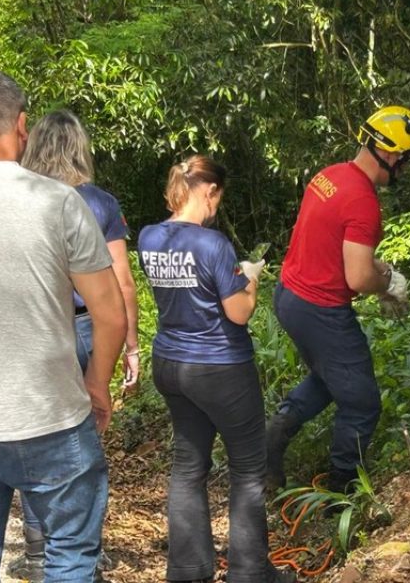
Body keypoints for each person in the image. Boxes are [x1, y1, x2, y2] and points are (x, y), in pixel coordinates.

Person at [0, 69, 127, 581]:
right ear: (20, 125)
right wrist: (97, 384)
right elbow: (110, 313)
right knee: (70, 556)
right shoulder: (59, 202)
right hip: (51, 418)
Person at [138, 155, 295, 583]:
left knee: (188, 467)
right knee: (248, 468)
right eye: (217, 199)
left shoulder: (150, 237)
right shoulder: (213, 244)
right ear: (209, 192)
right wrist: (252, 280)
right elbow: (239, 312)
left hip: (170, 362)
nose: (217, 208)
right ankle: (250, 573)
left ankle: (188, 571)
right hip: (219, 366)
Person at [6, 109, 141, 582]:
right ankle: (80, 546)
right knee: (79, 440)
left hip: (39, 327)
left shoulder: (21, 196)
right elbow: (122, 284)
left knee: (36, 433)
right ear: (80, 147)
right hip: (89, 328)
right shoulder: (100, 203)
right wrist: (131, 345)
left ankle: (39, 551)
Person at [265, 105, 410, 495]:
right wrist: (385, 282)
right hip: (321, 310)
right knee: (362, 402)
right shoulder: (364, 202)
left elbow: (334, 244)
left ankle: (271, 439)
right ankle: (341, 495)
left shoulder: (330, 176)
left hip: (290, 297)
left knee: (329, 378)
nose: (405, 167)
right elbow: (357, 275)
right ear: (390, 153)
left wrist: (379, 269)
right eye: (405, 159)